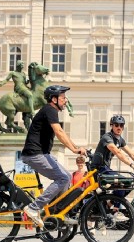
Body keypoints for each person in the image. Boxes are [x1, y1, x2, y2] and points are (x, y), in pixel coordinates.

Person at [21, 85, 86, 227]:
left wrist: (76, 148)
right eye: (63, 98)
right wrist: (75, 150)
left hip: (42, 153)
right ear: (54, 99)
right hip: (34, 154)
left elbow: (61, 132)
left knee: (67, 177)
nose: (66, 101)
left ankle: (57, 213)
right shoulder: (50, 109)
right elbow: (59, 132)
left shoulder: (50, 111)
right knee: (62, 177)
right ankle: (33, 207)